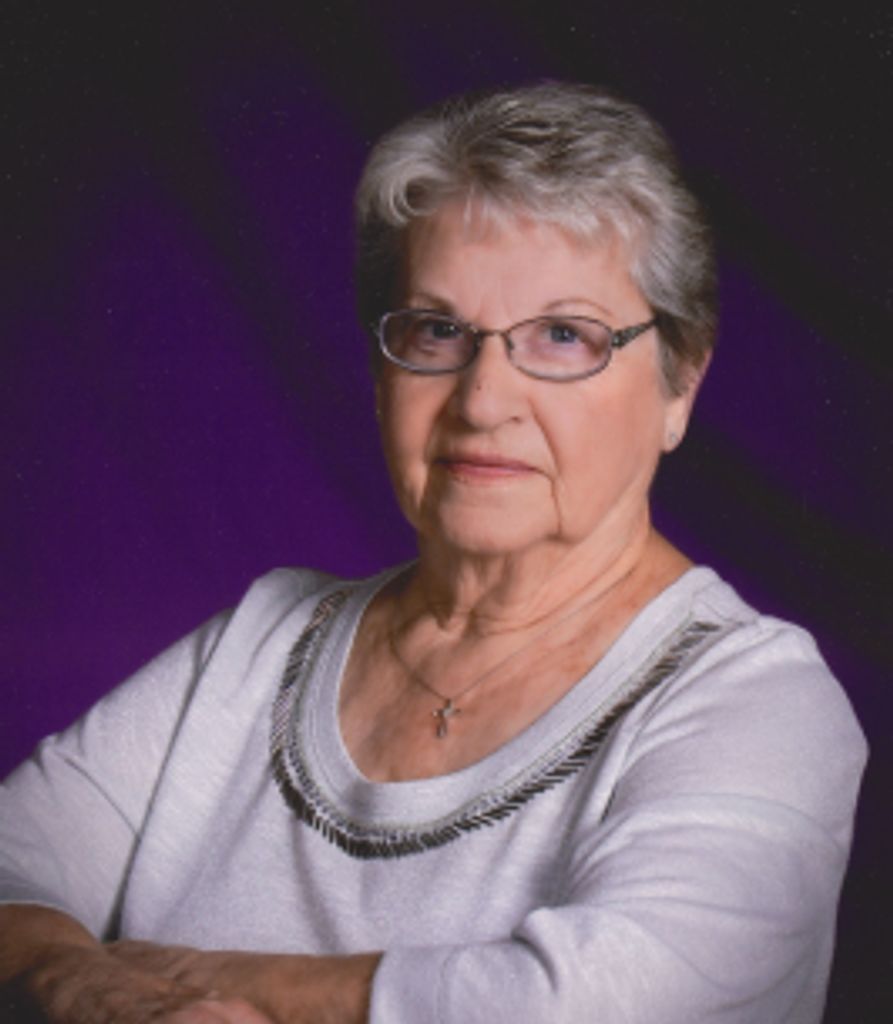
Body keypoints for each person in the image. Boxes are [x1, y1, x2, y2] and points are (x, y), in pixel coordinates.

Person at [0, 82, 866, 1024]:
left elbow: (586, 1006)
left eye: (563, 335)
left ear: (679, 384)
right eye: (438, 330)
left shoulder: (758, 703)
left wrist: (198, 980)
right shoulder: (262, 641)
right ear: (383, 374)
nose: (483, 400)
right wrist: (87, 987)